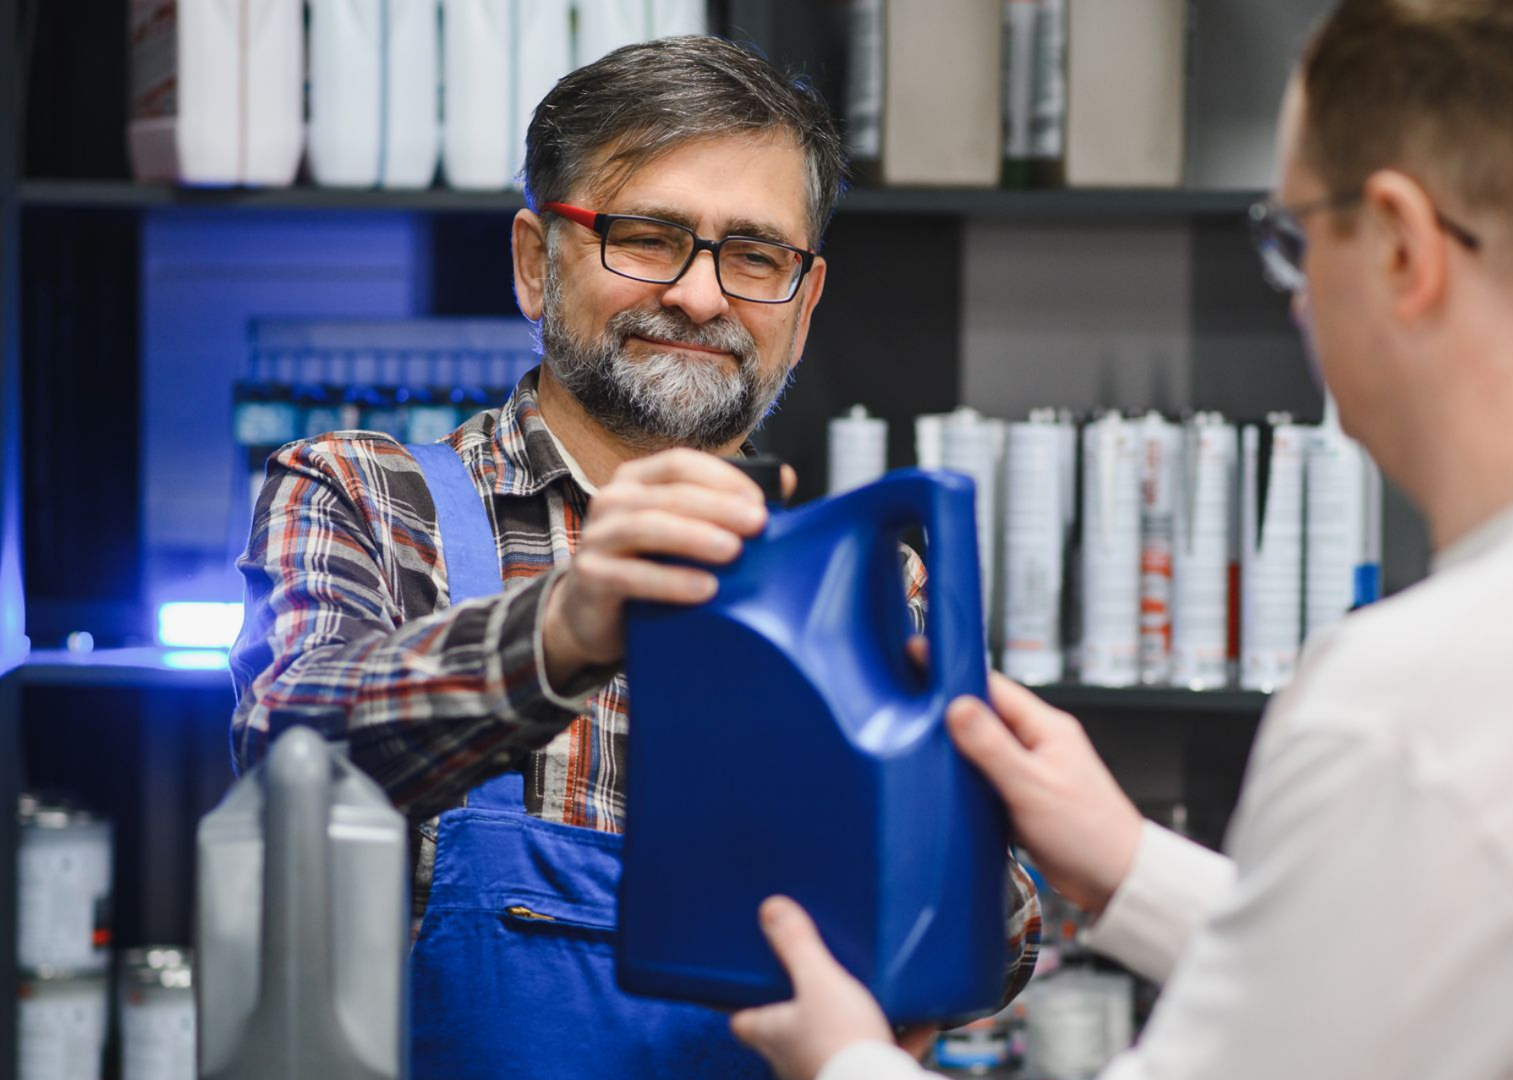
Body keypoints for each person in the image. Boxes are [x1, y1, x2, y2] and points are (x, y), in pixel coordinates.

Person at [729, 1, 1513, 1077]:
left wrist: (846, 1060)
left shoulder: (1420, 701)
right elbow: (1485, 961)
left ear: (1400, 247)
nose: (1296, 299)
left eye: (1294, 241)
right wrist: (1131, 866)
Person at [229, 37, 1037, 1079]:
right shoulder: (367, 497)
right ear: (536, 261)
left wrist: (913, 817)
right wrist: (563, 628)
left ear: (804, 305)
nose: (701, 296)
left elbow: (988, 953)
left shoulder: (864, 581)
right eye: (648, 238)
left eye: (756, 256)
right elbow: (286, 746)